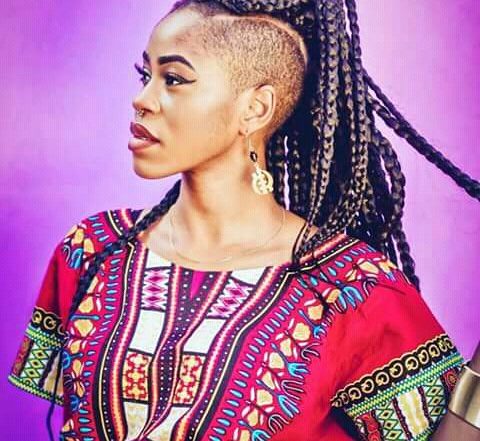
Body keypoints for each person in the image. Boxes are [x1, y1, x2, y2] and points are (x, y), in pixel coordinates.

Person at [8, 0, 480, 440]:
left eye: (174, 79)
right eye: (145, 75)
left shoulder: (348, 286)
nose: (142, 99)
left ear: (255, 109)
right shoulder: (94, 249)